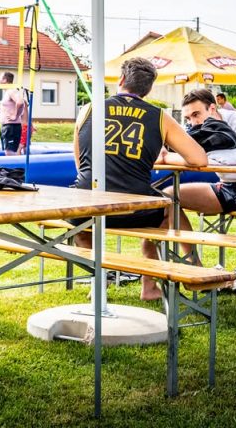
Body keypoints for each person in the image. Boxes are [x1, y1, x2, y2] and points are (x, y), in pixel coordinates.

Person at [72, 57, 208, 300]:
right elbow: (199, 159)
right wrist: (164, 156)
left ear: (121, 79)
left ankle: (98, 277)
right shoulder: (159, 117)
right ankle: (175, 274)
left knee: (82, 227)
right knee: (169, 208)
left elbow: (80, 163)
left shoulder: (89, 109)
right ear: (149, 88)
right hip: (134, 210)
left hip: (86, 208)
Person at [162, 89, 236, 296]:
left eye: (196, 114)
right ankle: (196, 268)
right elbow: (179, 155)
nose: (192, 122)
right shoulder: (194, 130)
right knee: (169, 195)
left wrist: (205, 157)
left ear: (212, 108)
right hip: (226, 187)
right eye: (188, 118)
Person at [0, 72, 27, 155]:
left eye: (0, 78)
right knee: (10, 153)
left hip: (11, 127)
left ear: (5, 80)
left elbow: (20, 102)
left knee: (10, 154)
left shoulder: (11, 91)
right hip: (8, 127)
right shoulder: (8, 92)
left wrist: (15, 115)